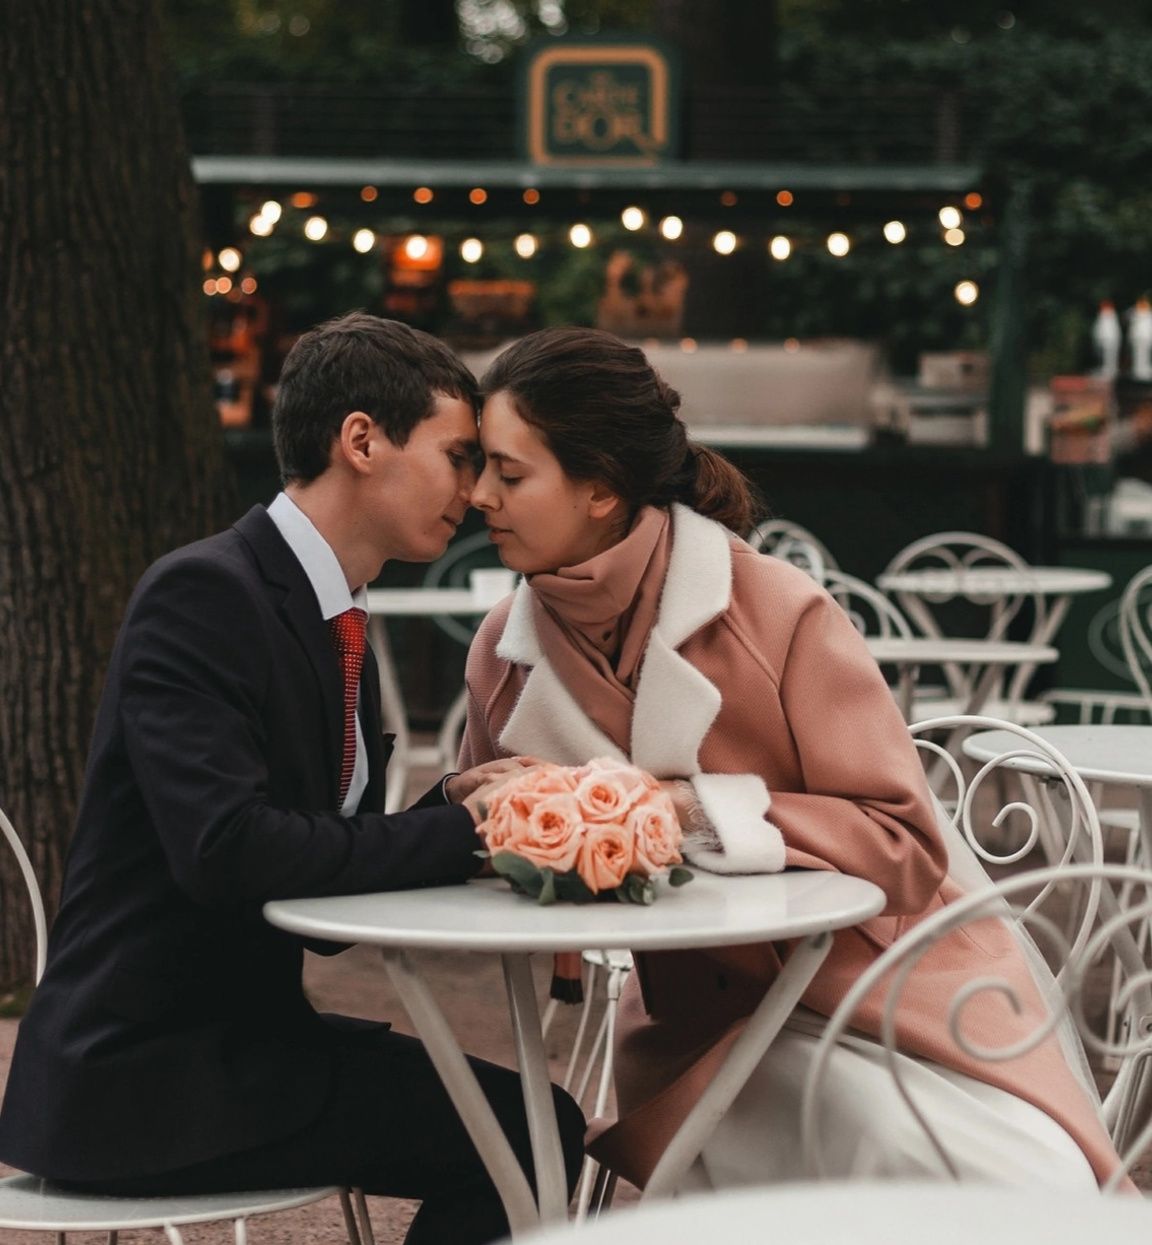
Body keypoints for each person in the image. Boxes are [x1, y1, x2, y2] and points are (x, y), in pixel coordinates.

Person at [458, 325, 1123, 1192]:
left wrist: (680, 808)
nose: (477, 496)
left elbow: (907, 845)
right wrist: (487, 808)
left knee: (999, 1174)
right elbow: (481, 855)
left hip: (886, 986)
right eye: (479, 468)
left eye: (509, 474)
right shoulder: (501, 653)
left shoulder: (777, 611)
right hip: (700, 1023)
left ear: (601, 488)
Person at [0, 313, 584, 1245]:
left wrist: (452, 805)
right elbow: (229, 851)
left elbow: (314, 892)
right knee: (535, 1134)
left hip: (239, 1052)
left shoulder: (330, 614)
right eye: (457, 456)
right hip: (146, 1078)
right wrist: (463, 835)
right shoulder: (206, 593)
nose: (476, 492)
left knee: (538, 1126)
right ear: (361, 441)